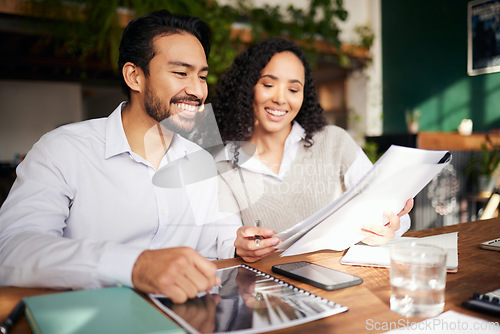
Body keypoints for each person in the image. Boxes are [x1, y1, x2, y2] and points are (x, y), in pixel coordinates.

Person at [0, 10, 240, 303]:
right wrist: (134, 265)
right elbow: (13, 251)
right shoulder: (63, 149)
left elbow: (220, 238)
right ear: (134, 76)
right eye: (181, 73)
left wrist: (240, 244)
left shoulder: (202, 160)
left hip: (190, 319)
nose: (197, 90)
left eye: (202, 76)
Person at [213, 38, 413, 262]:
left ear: (303, 96)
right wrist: (237, 246)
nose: (280, 99)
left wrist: (387, 226)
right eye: (268, 85)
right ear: (247, 88)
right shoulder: (224, 164)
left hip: (341, 282)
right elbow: (224, 242)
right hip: (270, 289)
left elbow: (394, 216)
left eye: (293, 89)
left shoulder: (334, 141)